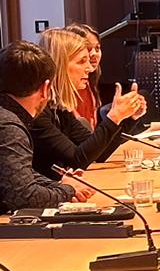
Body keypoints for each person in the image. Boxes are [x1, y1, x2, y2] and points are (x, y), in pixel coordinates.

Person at [32, 28, 145, 176]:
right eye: (81, 61)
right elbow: (77, 160)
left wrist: (128, 117)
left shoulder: (59, 108)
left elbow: (99, 153)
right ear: (59, 65)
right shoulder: (37, 113)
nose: (89, 68)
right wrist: (114, 117)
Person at [0, 41, 93, 211]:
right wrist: (68, 191)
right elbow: (24, 197)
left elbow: (17, 176)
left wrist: (59, 184)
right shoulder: (9, 127)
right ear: (45, 88)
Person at [65, 22, 103, 124]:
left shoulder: (89, 80)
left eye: (97, 48)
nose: (94, 53)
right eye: (88, 48)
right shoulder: (71, 86)